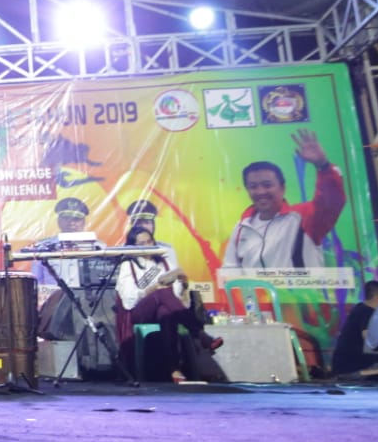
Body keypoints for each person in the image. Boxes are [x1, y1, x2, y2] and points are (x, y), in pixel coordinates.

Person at [223, 129, 346, 269]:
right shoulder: (242, 227)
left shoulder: (304, 217)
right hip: (253, 285)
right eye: (253, 187)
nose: (261, 192)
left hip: (305, 285)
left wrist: (323, 166)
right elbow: (230, 269)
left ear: (282, 188)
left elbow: (332, 201)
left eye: (267, 185)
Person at [116, 226, 223, 381]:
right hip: (140, 311)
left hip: (165, 307)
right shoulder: (129, 265)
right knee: (162, 293)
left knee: (166, 313)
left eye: (150, 241)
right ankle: (200, 334)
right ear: (133, 246)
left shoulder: (164, 262)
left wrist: (183, 284)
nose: (147, 246)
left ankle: (174, 370)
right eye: (142, 243)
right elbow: (129, 300)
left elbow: (176, 298)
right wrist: (152, 289)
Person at [332, 280, 378, 377]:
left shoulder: (364, 310)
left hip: (357, 365)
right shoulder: (365, 312)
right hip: (354, 368)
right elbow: (371, 340)